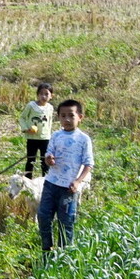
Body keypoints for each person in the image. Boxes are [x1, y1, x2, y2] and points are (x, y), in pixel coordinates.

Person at [38, 99, 93, 257]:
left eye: (71, 115)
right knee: (43, 216)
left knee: (66, 222)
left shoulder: (83, 139)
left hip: (68, 188)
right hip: (51, 184)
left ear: (80, 117)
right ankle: (46, 250)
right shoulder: (55, 136)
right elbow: (48, 155)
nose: (67, 119)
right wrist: (49, 160)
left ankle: (64, 256)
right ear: (58, 117)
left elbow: (88, 164)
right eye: (63, 116)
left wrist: (78, 181)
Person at [18, 82, 54, 179]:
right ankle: (27, 180)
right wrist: (26, 129)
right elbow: (22, 118)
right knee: (30, 160)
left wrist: (50, 135)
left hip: (45, 138)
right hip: (32, 138)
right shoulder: (31, 105)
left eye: (46, 94)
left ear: (51, 96)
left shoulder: (50, 108)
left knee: (45, 161)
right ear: (37, 95)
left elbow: (50, 122)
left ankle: (45, 180)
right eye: (41, 94)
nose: (43, 96)